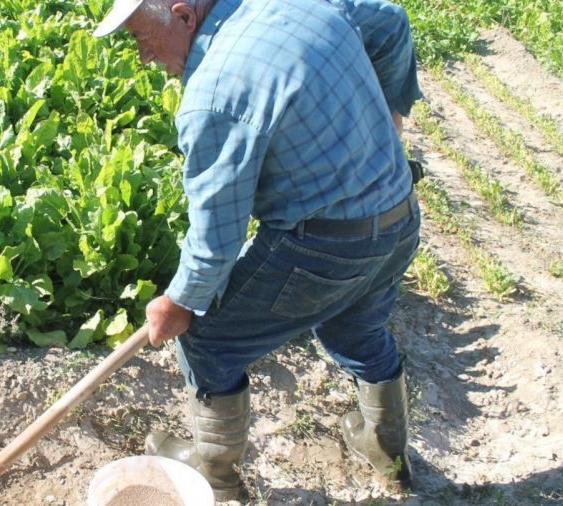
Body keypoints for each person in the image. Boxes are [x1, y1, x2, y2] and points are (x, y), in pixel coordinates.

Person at [93, 0, 423, 500]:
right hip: (398, 212)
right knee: (356, 325)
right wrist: (390, 117)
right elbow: (390, 22)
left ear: (183, 15)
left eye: (143, 38)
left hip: (328, 247)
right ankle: (388, 452)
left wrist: (177, 303)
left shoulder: (216, 95)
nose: (143, 57)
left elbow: (215, 241)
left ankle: (213, 477)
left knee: (208, 340)